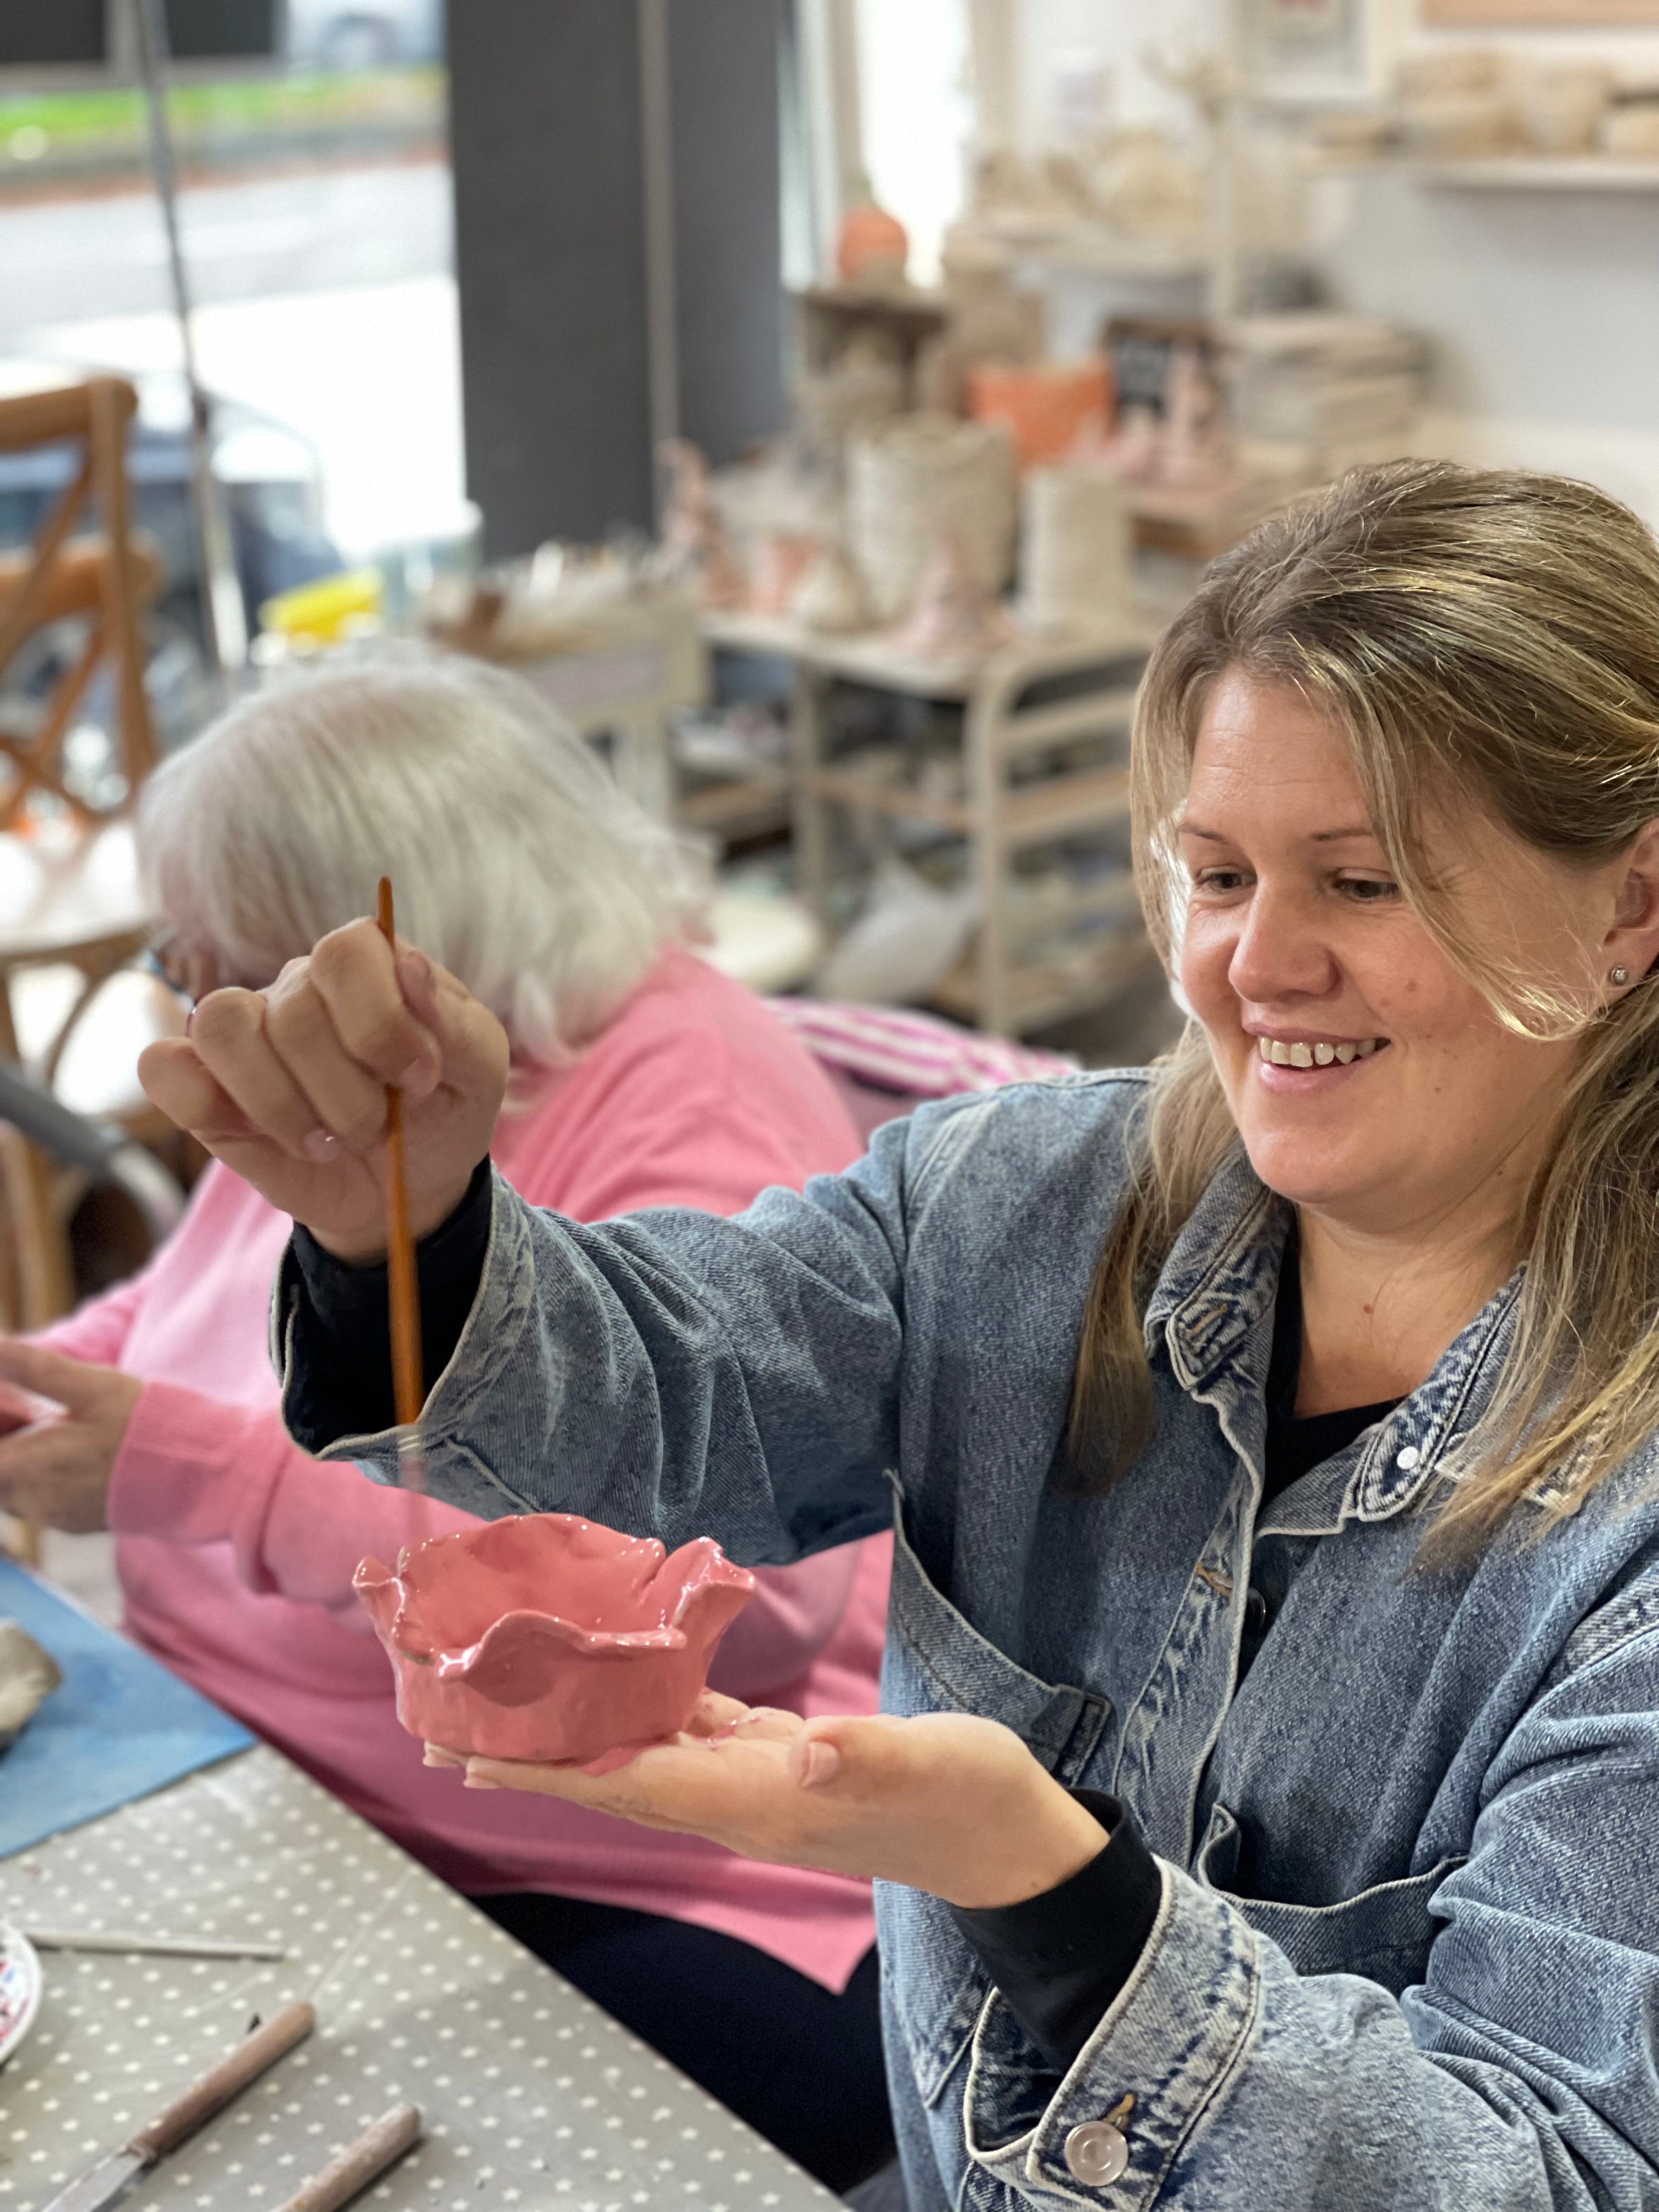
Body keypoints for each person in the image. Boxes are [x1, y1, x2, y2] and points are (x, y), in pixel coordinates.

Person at [134, 460, 1659, 2210]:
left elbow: (1554, 2175)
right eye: (1221, 873)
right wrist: (403, 1228)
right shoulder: (1018, 1205)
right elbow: (675, 1393)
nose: (1257, 964)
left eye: (1367, 884)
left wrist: (1052, 1899)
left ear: (1627, 905)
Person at [0, 651, 896, 2193]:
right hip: (277, 1764)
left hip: (631, 1858)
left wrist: (199, 1477)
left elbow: (727, 1618)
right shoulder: (336, 1081)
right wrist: (42, 1380)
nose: (180, 978)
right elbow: (181, 1319)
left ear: (392, 949)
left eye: (215, 954)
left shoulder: (694, 1109)